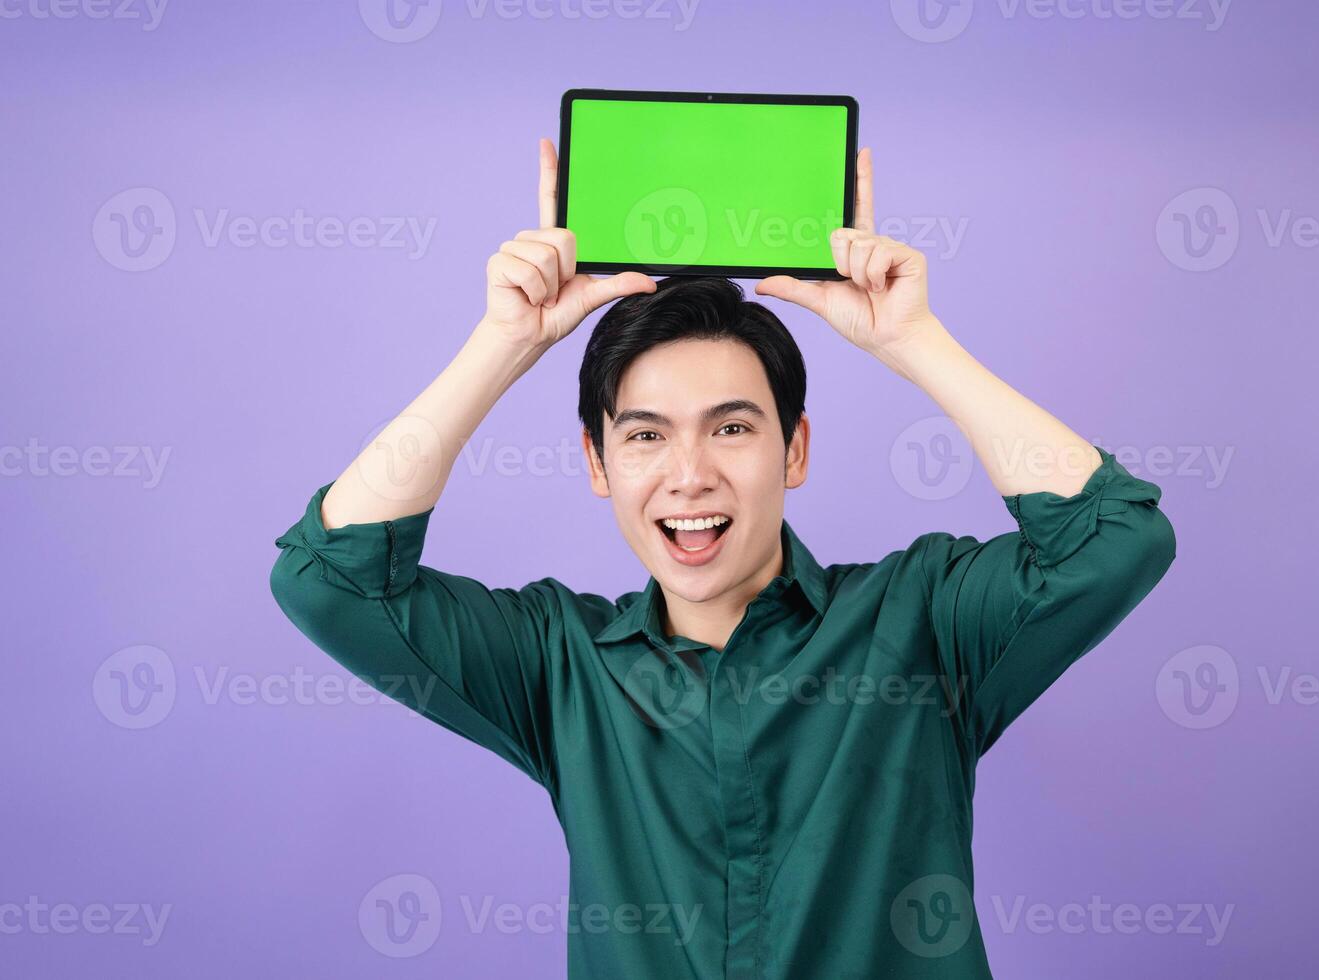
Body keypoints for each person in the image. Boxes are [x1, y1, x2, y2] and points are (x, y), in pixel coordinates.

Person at [269, 138, 1176, 979]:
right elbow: (330, 579)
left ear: (795, 450)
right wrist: (504, 344)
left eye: (732, 428)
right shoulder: (556, 663)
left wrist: (914, 342)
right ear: (597, 463)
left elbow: (1116, 540)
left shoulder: (925, 621)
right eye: (647, 436)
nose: (689, 476)